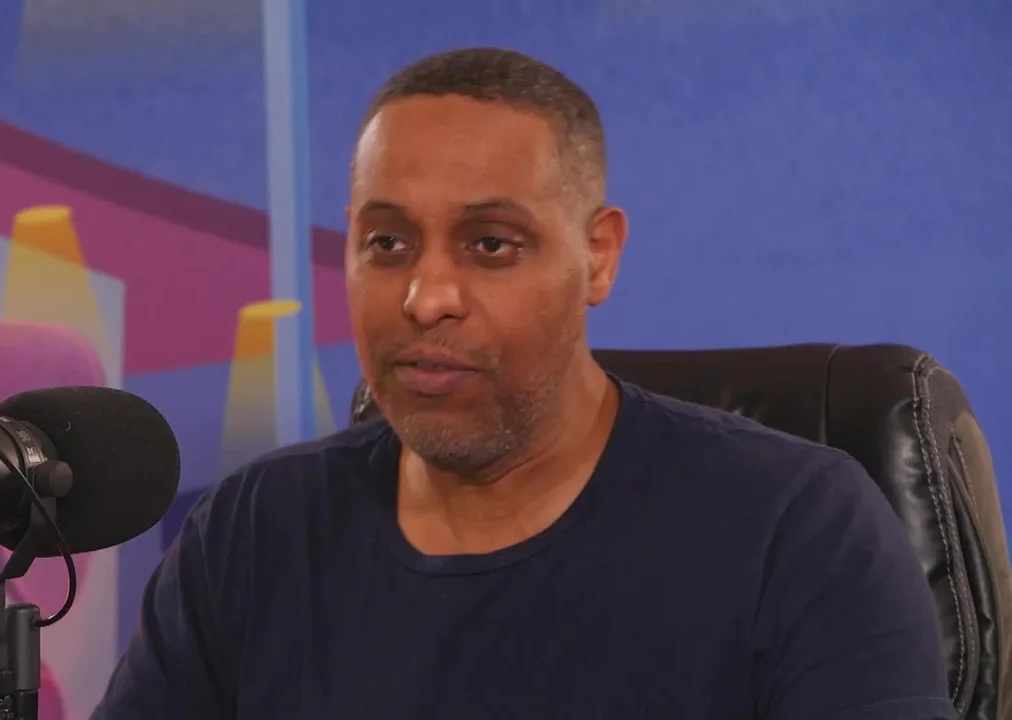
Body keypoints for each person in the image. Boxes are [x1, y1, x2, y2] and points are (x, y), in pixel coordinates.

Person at [92, 47, 955, 719]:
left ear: (597, 255)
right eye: (387, 244)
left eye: (491, 244)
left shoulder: (799, 530)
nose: (427, 296)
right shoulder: (251, 535)